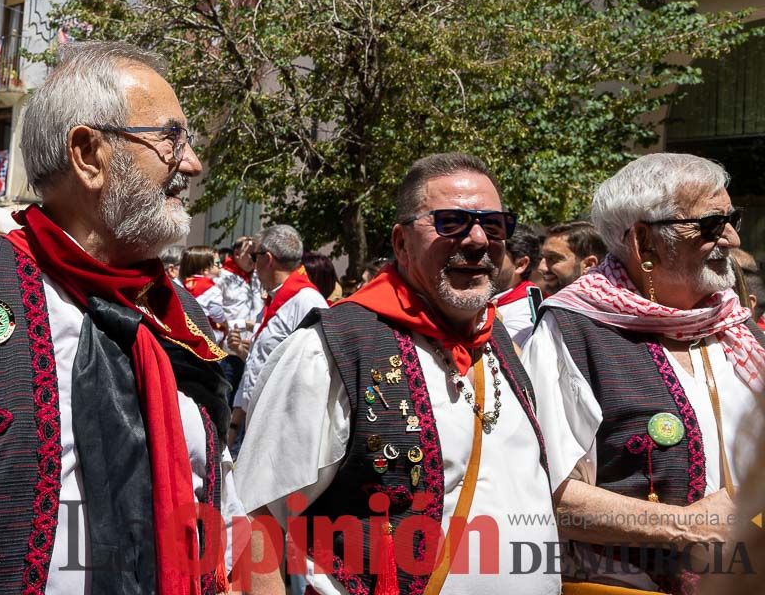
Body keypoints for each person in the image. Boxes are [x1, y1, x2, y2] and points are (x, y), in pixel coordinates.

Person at [0, 40, 264, 593]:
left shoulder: (178, 314)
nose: (193, 164)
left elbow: (219, 496)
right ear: (87, 153)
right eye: (171, 139)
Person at [236, 152, 558, 594]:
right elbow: (259, 516)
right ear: (401, 242)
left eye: (495, 224)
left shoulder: (500, 339)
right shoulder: (332, 346)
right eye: (451, 222)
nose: (479, 239)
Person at [523, 153, 764, 593]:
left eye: (733, 219)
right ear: (643, 241)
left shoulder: (737, 327)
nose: (730, 238)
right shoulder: (573, 330)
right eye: (710, 225)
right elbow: (543, 490)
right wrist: (685, 526)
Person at [229, 225, 328, 445]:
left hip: (282, 433)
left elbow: (318, 373)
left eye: (255, 257)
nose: (253, 266)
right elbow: (261, 365)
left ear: (268, 259)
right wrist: (235, 424)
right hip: (256, 426)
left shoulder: (307, 302)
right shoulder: (275, 301)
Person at [494, 224, 543, 349]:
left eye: (495, 253)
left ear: (520, 264)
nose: (483, 259)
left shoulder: (525, 312)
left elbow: (509, 358)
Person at [537, 220, 606, 296]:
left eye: (553, 258)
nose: (542, 267)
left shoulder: (608, 305)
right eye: (542, 257)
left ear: (588, 265)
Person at [181, 244, 227, 336]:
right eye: (217, 263)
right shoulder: (212, 290)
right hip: (205, 334)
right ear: (205, 269)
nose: (221, 266)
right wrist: (226, 325)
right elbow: (217, 315)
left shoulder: (181, 283)